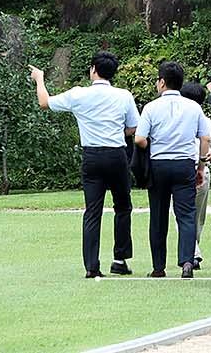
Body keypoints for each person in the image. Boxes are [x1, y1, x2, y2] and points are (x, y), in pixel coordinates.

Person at [30, 51, 139, 278]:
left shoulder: (78, 94)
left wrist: (40, 79)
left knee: (93, 211)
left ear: (92, 70)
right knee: (123, 206)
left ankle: (92, 266)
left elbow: (44, 102)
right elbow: (132, 128)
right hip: (117, 154)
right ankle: (120, 258)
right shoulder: (124, 95)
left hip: (92, 156)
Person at [133, 61, 210, 278]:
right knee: (186, 214)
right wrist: (201, 165)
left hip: (159, 164)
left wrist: (152, 145)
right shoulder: (193, 107)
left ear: (162, 82)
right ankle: (186, 262)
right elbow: (204, 137)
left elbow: (139, 138)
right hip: (185, 163)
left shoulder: (151, 107)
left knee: (158, 216)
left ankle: (159, 267)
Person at [180, 81, 211, 267]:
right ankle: (193, 252)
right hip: (202, 170)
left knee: (184, 215)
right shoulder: (208, 121)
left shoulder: (179, 116)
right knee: (197, 217)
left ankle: (192, 253)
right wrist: (210, 158)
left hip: (184, 169)